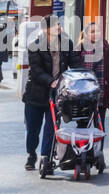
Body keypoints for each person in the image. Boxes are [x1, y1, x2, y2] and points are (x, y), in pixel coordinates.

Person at [22, 17, 78, 171]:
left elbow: (75, 62)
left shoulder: (66, 43)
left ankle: (45, 158)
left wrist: (79, 76)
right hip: (35, 94)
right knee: (32, 129)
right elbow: (36, 70)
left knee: (52, 128)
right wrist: (51, 81)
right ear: (46, 29)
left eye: (59, 24)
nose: (59, 27)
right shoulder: (34, 45)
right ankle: (31, 154)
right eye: (56, 25)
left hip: (56, 94)